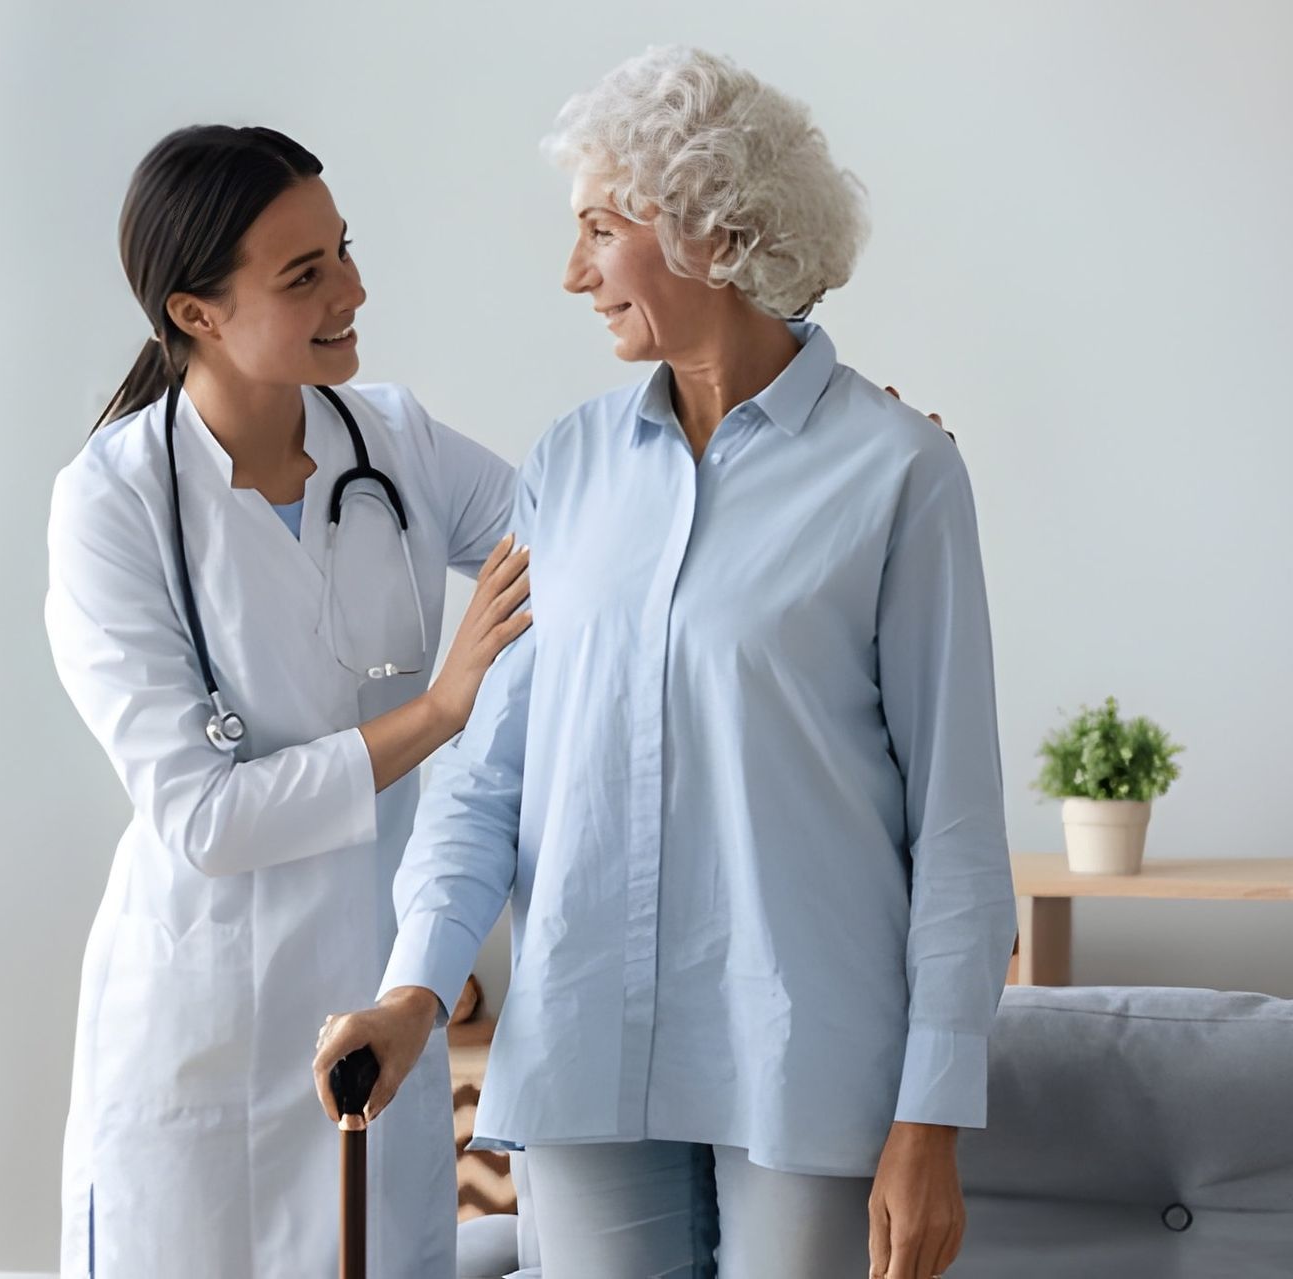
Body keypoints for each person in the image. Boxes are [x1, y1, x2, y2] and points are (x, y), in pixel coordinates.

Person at [314, 47, 1013, 1279]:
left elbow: (955, 825)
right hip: (583, 1048)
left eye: (600, 228)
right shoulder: (568, 467)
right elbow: (490, 778)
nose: (573, 272)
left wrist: (932, 1116)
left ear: (719, 230)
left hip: (809, 1062)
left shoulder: (899, 471)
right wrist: (413, 990)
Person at [45, 123, 529, 1278]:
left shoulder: (396, 440)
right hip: (200, 1028)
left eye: (343, 252)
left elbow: (595, 545)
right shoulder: (110, 506)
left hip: (371, 995)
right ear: (196, 312)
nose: (352, 290)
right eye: (303, 274)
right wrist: (439, 708)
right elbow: (205, 818)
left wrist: (826, 462)